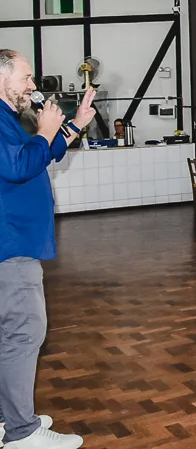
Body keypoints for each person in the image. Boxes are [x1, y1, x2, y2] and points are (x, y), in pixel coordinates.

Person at [0, 50, 93, 448]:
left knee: (10, 335)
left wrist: (71, 127)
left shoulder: (8, 119)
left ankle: (10, 418)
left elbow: (38, 157)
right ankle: (22, 433)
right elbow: (19, 165)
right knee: (24, 333)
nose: (33, 86)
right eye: (26, 77)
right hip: (11, 243)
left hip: (14, 239)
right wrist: (44, 131)